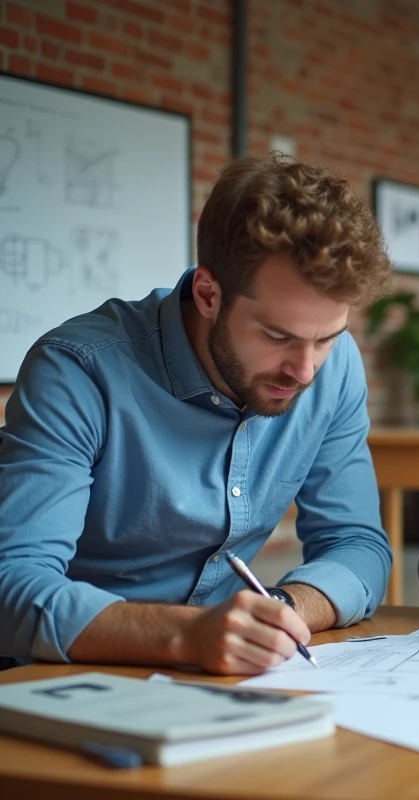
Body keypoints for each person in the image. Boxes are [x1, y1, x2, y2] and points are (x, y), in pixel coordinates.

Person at [0, 154, 395, 675]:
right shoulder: (78, 370)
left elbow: (358, 545)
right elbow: (14, 587)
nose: (305, 370)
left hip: (219, 675)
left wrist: (279, 613)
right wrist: (187, 635)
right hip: (66, 673)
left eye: (326, 338)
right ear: (209, 294)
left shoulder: (335, 368)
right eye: (277, 336)